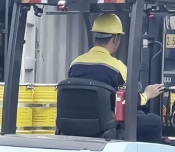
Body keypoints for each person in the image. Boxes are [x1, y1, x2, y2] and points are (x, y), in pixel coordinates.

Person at [68, 13, 165, 144]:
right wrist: (148, 94)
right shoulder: (118, 68)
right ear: (115, 38)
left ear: (95, 36)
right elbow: (132, 102)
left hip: (75, 125)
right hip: (106, 126)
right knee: (154, 122)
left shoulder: (75, 64)